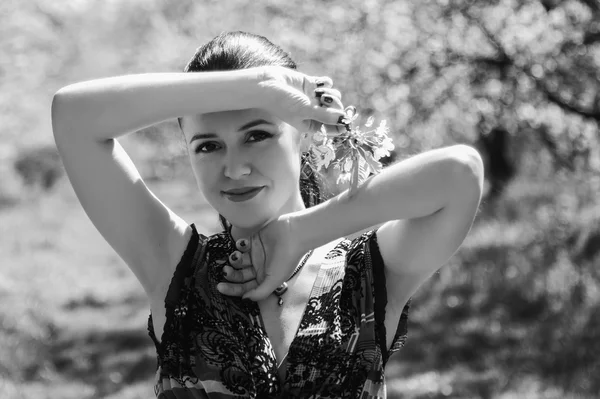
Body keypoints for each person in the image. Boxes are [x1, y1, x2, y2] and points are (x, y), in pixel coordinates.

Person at [51, 31, 484, 398]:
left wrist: (299, 233)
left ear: (307, 135)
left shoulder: (370, 273)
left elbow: (459, 174)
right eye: (207, 145)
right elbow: (72, 116)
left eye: (257, 135)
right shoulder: (172, 266)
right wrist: (257, 86)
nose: (235, 168)